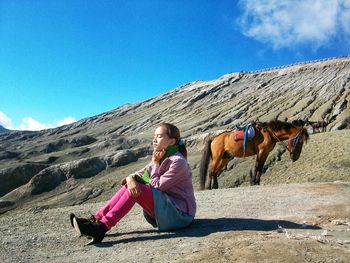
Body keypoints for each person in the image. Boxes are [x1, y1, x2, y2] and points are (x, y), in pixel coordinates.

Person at [70, 123, 196, 245]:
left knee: (137, 189)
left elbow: (158, 186)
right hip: (166, 209)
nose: (154, 139)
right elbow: (139, 174)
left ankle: (101, 228)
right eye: (154, 136)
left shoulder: (177, 161)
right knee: (130, 186)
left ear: (172, 142)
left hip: (180, 215)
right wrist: (130, 178)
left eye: (159, 136)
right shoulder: (161, 157)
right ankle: (97, 219)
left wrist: (155, 164)